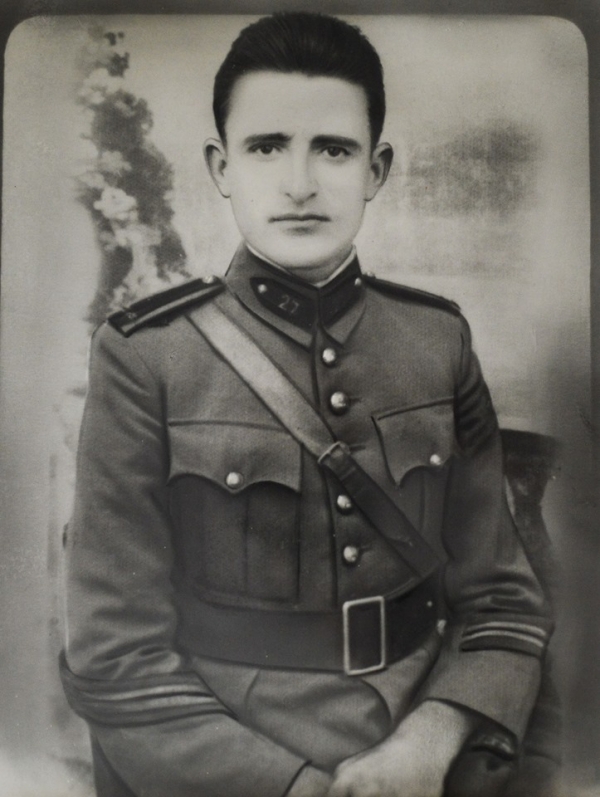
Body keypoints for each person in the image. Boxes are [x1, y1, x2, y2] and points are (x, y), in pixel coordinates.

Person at [60, 12, 555, 797]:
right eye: (266, 147)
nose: (300, 183)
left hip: (431, 745)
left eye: (333, 148)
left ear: (376, 169)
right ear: (222, 166)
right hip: (229, 756)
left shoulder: (438, 340)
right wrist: (294, 788)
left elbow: (501, 599)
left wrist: (433, 736)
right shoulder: (146, 357)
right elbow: (115, 659)